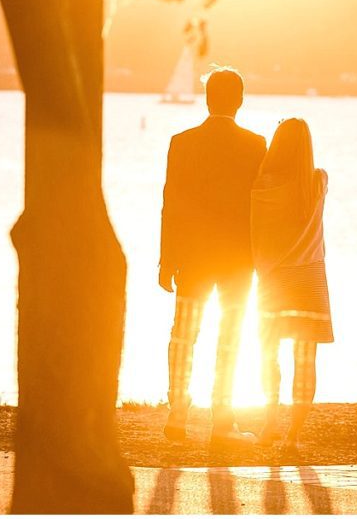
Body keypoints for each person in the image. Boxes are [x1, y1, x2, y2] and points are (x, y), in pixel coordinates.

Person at [159, 66, 267, 446]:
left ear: (207, 100)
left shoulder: (182, 142)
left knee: (184, 335)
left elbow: (171, 203)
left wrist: (165, 259)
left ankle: (177, 414)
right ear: (239, 101)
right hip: (239, 259)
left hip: (193, 257)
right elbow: (262, 206)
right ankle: (222, 419)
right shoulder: (256, 145)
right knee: (230, 334)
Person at [250, 118, 334, 456]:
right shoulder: (319, 181)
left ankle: (270, 423)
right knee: (306, 359)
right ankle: (294, 434)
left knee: (269, 354)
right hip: (311, 280)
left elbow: (258, 235)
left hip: (275, 280)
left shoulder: (264, 186)